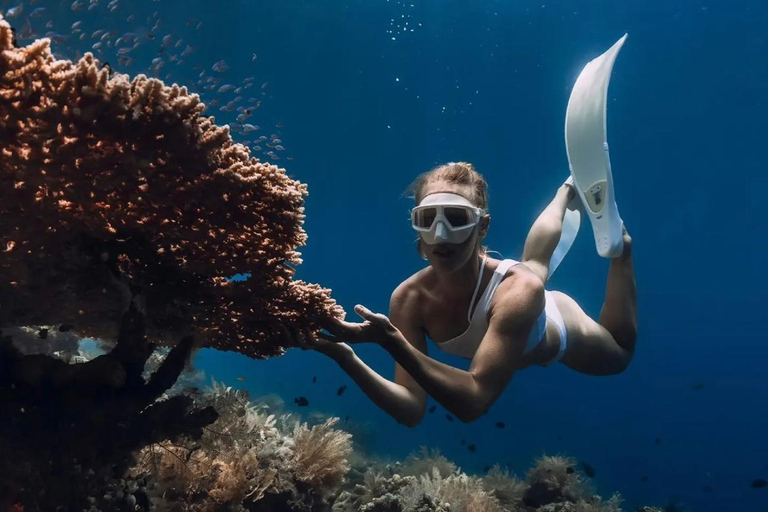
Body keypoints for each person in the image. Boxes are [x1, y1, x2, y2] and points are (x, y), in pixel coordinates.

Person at [284, 162, 637, 426]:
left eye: (456, 218)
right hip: (511, 295)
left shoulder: (520, 291)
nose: (440, 234)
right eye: (427, 219)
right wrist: (345, 357)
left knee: (617, 353)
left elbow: (474, 400)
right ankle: (566, 192)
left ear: (482, 226)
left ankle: (620, 250)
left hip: (555, 324)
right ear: (416, 228)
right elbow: (410, 410)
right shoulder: (408, 299)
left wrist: (393, 342)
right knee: (534, 262)